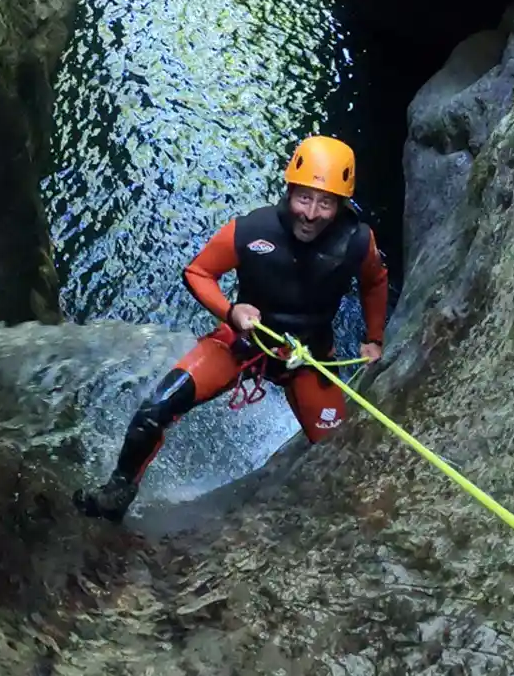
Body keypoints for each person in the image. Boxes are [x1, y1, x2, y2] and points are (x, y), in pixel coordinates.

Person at [74, 135, 389, 523]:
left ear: (340, 205)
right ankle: (116, 494)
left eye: (325, 202)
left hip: (307, 357)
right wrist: (231, 310)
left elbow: (375, 281)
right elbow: (199, 272)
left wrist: (373, 339)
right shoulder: (251, 231)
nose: (311, 213)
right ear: (289, 192)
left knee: (338, 452)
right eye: (304, 198)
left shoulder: (357, 241)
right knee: (154, 411)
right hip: (241, 343)